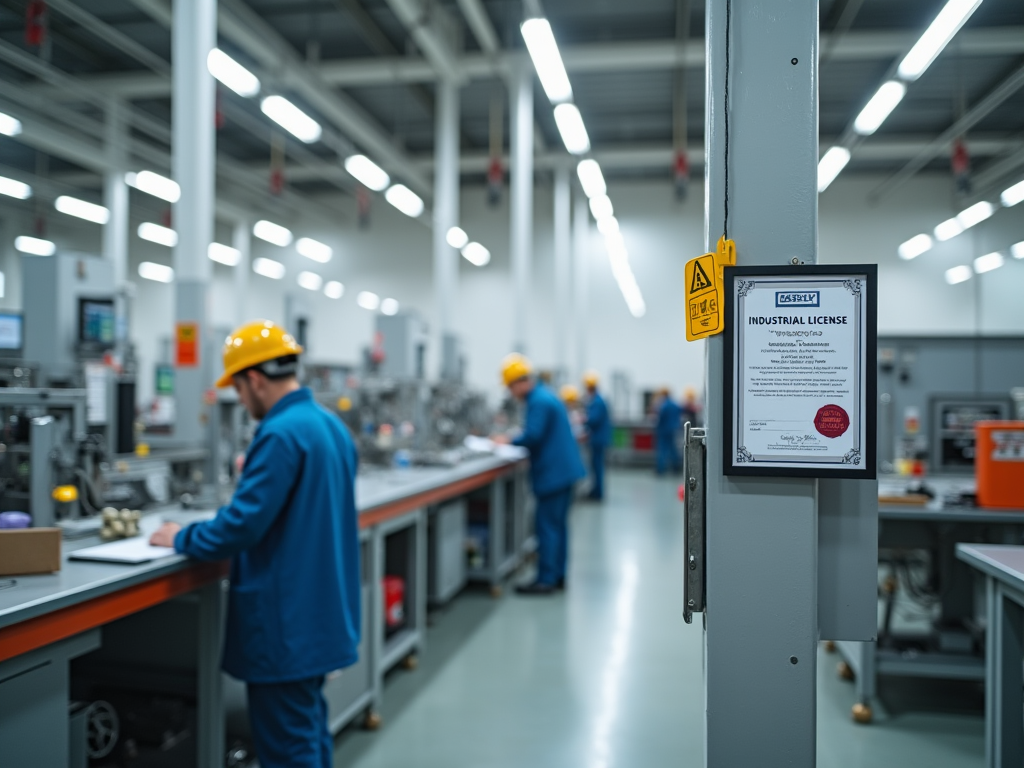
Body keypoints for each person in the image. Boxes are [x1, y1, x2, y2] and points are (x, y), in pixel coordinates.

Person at [150, 320, 360, 768]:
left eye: (239, 391)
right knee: (308, 732)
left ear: (256, 379)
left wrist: (180, 536)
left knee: (287, 747)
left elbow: (240, 527)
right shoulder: (329, 425)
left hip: (287, 623)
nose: (241, 402)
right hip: (321, 614)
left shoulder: (280, 433)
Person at [496, 354, 585, 595]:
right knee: (558, 527)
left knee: (546, 526)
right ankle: (558, 576)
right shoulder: (545, 396)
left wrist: (507, 439)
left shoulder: (539, 401)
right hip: (564, 472)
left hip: (553, 475)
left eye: (510, 387)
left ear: (519, 382)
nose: (511, 393)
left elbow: (533, 436)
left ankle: (546, 580)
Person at [582, 371, 612, 501]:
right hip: (598, 439)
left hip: (597, 440)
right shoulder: (597, 400)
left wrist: (583, 419)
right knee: (596, 467)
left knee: (597, 467)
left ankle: (597, 494)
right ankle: (596, 491)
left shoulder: (597, 401)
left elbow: (594, 420)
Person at [654, 387, 683, 475]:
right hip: (674, 429)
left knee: (662, 450)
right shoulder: (675, 404)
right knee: (673, 449)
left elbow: (660, 418)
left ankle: (660, 470)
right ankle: (675, 468)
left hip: (664, 430)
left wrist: (657, 427)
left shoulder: (664, 405)